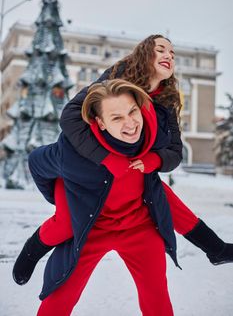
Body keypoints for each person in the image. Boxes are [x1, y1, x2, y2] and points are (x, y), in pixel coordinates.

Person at [59, 34, 233, 265]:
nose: (168, 56)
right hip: (90, 167)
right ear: (144, 54)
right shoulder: (117, 78)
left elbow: (175, 153)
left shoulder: (167, 99)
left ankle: (216, 249)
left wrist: (155, 160)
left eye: (172, 54)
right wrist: (105, 158)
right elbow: (71, 116)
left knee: (157, 193)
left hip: (131, 170)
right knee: (62, 225)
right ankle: (216, 248)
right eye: (161, 49)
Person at [15, 79, 177, 316]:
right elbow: (37, 163)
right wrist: (59, 198)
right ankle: (32, 250)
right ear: (100, 123)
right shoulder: (72, 152)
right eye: (116, 117)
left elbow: (172, 197)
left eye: (132, 111)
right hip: (88, 226)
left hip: (136, 227)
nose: (130, 123)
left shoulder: (150, 143)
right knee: (59, 298)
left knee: (158, 298)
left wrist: (212, 245)